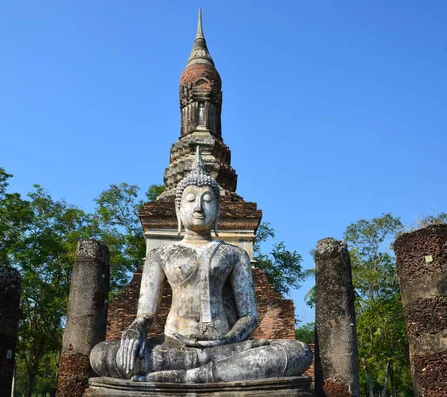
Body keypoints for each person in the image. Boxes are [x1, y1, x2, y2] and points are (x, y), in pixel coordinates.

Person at [89, 147, 311, 383]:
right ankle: (200, 373)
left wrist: (228, 338)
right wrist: (135, 329)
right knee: (102, 355)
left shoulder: (234, 254)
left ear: (217, 210)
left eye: (207, 200)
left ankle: (190, 377)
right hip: (173, 347)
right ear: (178, 208)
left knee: (297, 352)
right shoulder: (160, 254)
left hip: (224, 348)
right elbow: (146, 314)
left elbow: (249, 317)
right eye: (191, 200)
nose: (199, 207)